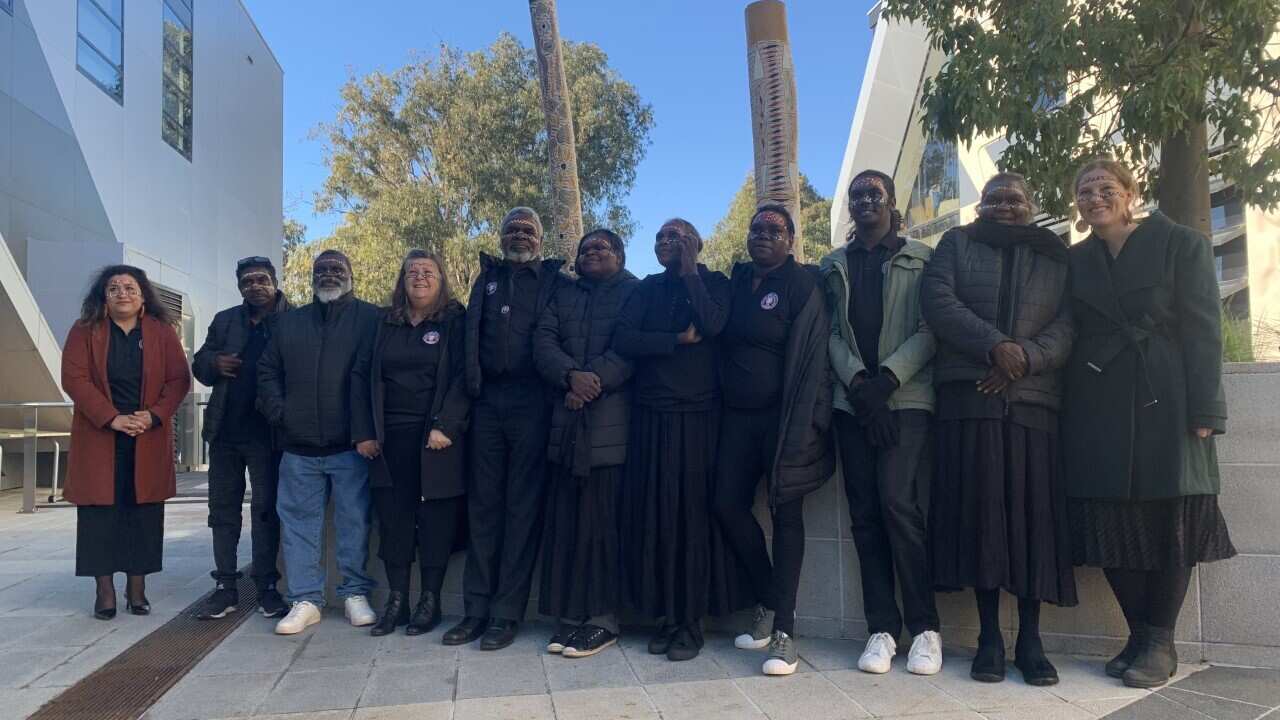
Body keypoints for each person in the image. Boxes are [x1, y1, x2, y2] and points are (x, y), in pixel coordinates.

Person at [1064, 159, 1235, 689]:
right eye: (1085, 191)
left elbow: (1204, 326)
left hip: (1168, 392)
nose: (1095, 198)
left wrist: (1207, 409)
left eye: (1106, 188)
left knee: (1171, 515)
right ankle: (1140, 634)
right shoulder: (1075, 260)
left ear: (1131, 193)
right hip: (1097, 396)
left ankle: (1159, 638)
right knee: (1107, 516)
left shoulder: (1180, 242)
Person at [920, 172, 1076, 686]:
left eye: (1015, 199)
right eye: (994, 200)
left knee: (1033, 521)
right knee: (982, 516)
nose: (1005, 207)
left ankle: (1031, 640)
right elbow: (939, 303)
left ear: (1031, 206)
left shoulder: (1056, 252)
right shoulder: (955, 243)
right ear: (980, 206)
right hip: (971, 401)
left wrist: (1024, 358)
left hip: (1033, 404)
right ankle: (990, 638)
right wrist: (994, 346)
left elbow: (1070, 322)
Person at [821, 171, 941, 676]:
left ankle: (926, 628)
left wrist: (888, 379)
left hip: (906, 398)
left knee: (898, 504)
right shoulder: (833, 265)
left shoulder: (923, 258)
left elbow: (932, 327)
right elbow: (829, 333)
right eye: (857, 196)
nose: (865, 201)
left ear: (892, 203)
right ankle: (882, 629)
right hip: (853, 404)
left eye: (875, 194)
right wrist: (859, 384)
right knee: (865, 512)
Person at [614, 219, 749, 662]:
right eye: (660, 238)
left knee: (691, 519)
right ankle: (665, 617)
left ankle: (690, 621)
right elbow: (625, 338)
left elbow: (712, 324)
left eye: (677, 237)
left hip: (699, 417)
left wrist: (691, 272)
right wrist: (674, 339)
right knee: (657, 516)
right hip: (651, 416)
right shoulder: (645, 288)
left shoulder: (714, 283)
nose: (666, 243)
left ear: (697, 244)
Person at [712, 205, 835, 676]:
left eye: (774, 230)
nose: (762, 235)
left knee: (787, 516)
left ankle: (783, 629)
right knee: (725, 504)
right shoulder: (738, 280)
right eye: (756, 228)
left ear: (791, 238)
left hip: (785, 420)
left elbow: (816, 356)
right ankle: (767, 596)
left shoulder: (803, 284)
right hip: (736, 421)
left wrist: (812, 420)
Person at [447, 207, 568, 651]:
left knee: (521, 511)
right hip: (487, 406)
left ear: (540, 238)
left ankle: (505, 614)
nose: (519, 236)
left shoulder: (556, 282)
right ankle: (475, 611)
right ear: (500, 237)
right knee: (483, 510)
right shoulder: (487, 278)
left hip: (534, 405)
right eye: (511, 229)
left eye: (528, 230)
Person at [257, 249, 382, 635]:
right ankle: (305, 599)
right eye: (322, 269)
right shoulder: (289, 323)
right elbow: (266, 372)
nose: (329, 274)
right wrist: (281, 414)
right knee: (297, 526)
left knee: (354, 523)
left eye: (337, 268)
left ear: (350, 275)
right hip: (298, 448)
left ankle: (354, 594)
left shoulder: (371, 319)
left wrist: (366, 429)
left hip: (350, 448)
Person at [62, 265, 192, 619]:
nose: (123, 293)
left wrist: (152, 415)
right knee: (99, 514)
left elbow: (179, 379)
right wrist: (111, 417)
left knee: (143, 513)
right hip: (99, 434)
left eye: (130, 287)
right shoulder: (85, 330)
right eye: (114, 288)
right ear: (103, 295)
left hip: (146, 434)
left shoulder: (161, 331)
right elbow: (74, 378)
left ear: (143, 295)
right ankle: (104, 591)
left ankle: (137, 588)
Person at [534, 229, 639, 658]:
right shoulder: (564, 295)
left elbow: (631, 347)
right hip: (565, 422)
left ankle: (604, 619)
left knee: (603, 527)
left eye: (602, 247)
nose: (592, 253)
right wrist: (568, 377)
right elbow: (543, 341)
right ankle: (572, 615)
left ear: (619, 255)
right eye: (585, 248)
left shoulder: (635, 292)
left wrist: (591, 381)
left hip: (611, 426)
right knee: (569, 526)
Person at [367, 250, 469, 637]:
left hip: (436, 439)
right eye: (412, 271)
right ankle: (397, 600)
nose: (420, 277)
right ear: (402, 280)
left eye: (428, 271)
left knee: (435, 521)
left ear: (441, 280)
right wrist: (366, 432)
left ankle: (430, 599)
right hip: (388, 439)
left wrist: (447, 424)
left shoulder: (454, 321)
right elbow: (365, 376)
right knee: (393, 520)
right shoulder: (384, 323)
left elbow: (464, 377)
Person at [191, 256, 292, 621]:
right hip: (224, 433)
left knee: (266, 512)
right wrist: (214, 363)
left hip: (268, 435)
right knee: (222, 513)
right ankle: (225, 587)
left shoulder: (293, 318)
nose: (255, 286)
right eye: (247, 281)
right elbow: (199, 363)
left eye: (261, 279)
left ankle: (266, 586)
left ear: (274, 281)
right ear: (239, 286)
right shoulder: (225, 320)